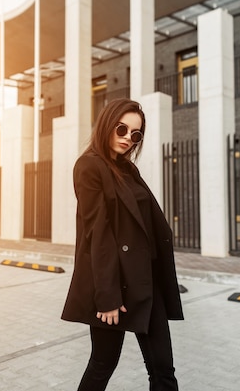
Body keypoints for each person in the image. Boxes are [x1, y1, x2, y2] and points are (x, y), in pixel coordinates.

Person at [61, 98, 184, 391]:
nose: (128, 138)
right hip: (114, 284)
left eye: (136, 134)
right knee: (103, 363)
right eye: (122, 129)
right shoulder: (89, 166)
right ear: (107, 125)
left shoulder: (128, 170)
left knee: (163, 368)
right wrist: (108, 296)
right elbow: (98, 233)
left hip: (145, 281)